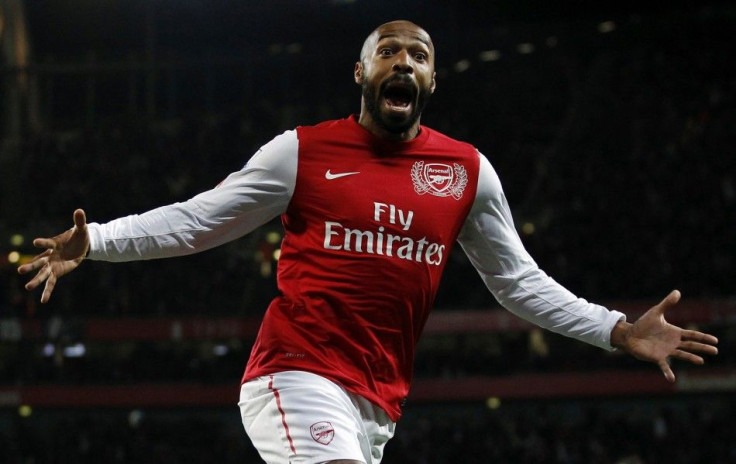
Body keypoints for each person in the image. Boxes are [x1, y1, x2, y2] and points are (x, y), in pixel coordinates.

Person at [18, 20, 718, 464]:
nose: (404, 61)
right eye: (389, 51)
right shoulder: (302, 153)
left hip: (378, 403)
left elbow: (518, 283)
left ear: (433, 79)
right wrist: (98, 241)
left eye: (419, 54)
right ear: (362, 74)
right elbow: (200, 219)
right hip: (294, 376)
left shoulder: (466, 172)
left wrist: (616, 332)